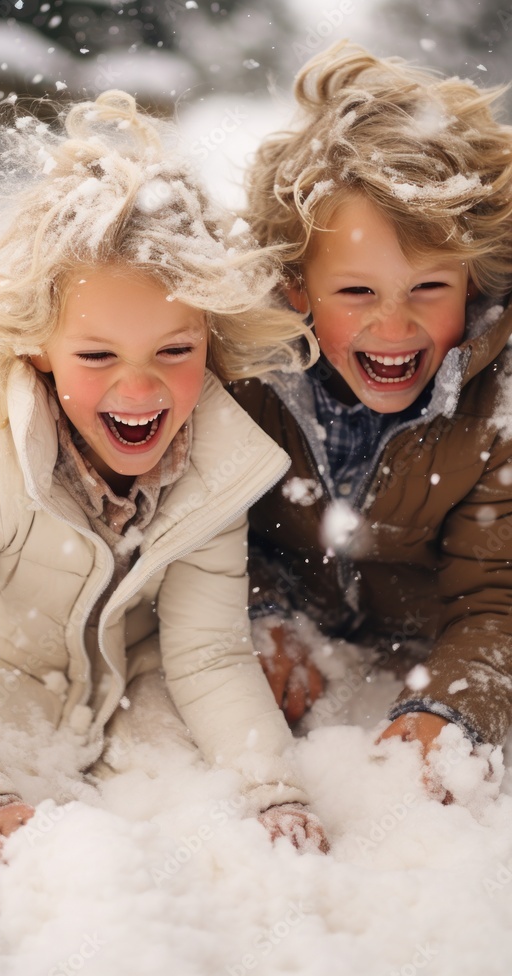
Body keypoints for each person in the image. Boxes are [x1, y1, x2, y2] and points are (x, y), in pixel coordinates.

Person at [0, 90, 328, 869]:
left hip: (133, 680)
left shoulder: (214, 466)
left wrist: (273, 791)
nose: (139, 389)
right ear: (38, 350)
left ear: (210, 343)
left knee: (198, 848)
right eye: (97, 356)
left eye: (174, 351)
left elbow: (208, 654)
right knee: (7, 871)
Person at [232, 42, 512, 779]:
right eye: (356, 292)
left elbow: (499, 595)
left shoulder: (498, 404)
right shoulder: (245, 376)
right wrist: (265, 616)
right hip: (317, 646)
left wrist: (453, 707)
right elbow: (211, 533)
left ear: (475, 287)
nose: (393, 328)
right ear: (298, 290)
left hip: (425, 649)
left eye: (428, 288)